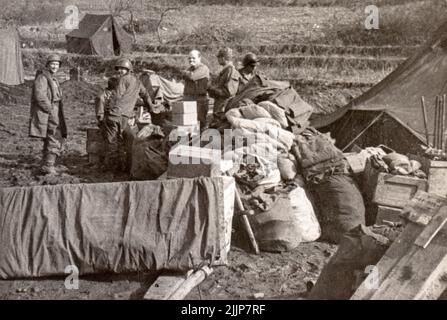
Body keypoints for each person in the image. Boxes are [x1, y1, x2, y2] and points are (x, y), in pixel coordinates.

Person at [100, 58, 153, 172]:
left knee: (112, 142)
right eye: (118, 69)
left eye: (122, 69)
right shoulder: (138, 82)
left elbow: (117, 96)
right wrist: (150, 108)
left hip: (115, 115)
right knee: (122, 141)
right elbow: (146, 95)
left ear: (128, 69)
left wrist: (108, 111)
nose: (119, 71)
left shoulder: (123, 80)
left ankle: (111, 169)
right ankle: (123, 167)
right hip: (125, 116)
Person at [29, 53, 67, 175]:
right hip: (48, 111)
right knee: (54, 136)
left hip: (55, 110)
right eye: (53, 64)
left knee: (52, 135)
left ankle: (46, 164)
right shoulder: (43, 77)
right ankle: (49, 166)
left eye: (57, 64)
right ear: (48, 64)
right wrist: (50, 109)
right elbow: (39, 96)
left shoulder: (53, 77)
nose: (55, 66)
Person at [207, 47, 240, 118]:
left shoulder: (231, 71)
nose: (218, 60)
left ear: (223, 58)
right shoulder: (225, 71)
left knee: (224, 128)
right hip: (220, 106)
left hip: (224, 107)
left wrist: (211, 88)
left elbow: (228, 92)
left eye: (218, 57)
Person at [182, 50, 210, 129]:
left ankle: (199, 140)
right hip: (189, 99)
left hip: (199, 101)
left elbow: (192, 77)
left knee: (199, 125)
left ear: (199, 58)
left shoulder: (204, 68)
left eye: (193, 58)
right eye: (189, 58)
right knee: (188, 126)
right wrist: (187, 73)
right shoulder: (190, 69)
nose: (191, 60)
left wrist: (185, 73)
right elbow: (185, 75)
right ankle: (190, 140)